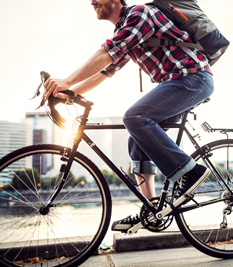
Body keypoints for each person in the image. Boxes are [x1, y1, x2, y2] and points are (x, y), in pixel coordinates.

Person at [44, 0, 214, 232]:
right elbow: (105, 72)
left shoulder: (140, 14)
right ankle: (153, 210)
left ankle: (190, 172)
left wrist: (66, 80)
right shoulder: (125, 29)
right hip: (178, 82)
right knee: (138, 136)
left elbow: (106, 53)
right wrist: (69, 93)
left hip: (193, 79)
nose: (92, 1)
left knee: (135, 118)